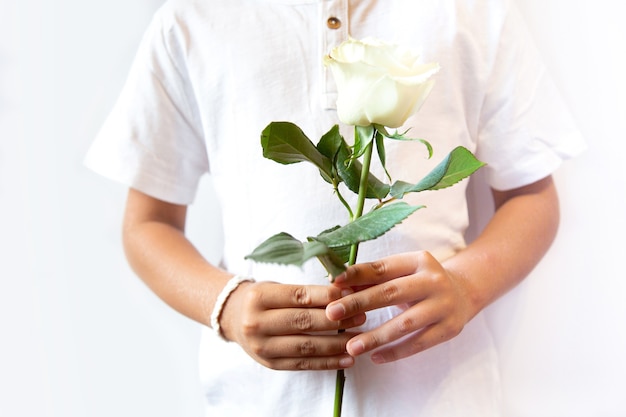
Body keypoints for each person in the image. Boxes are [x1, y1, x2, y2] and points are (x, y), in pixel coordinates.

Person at [85, 0, 585, 415]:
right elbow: (147, 223)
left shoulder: (471, 11)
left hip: (442, 398)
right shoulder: (193, 19)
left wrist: (468, 286)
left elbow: (531, 197)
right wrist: (229, 306)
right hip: (258, 400)